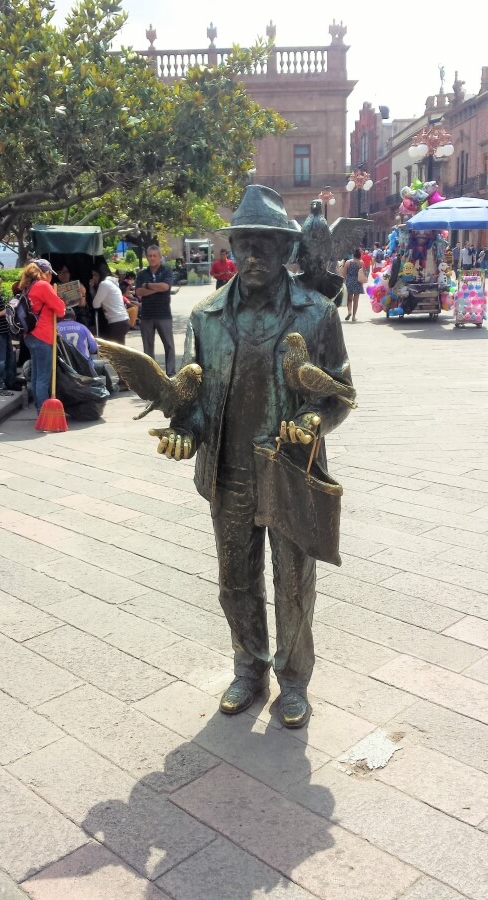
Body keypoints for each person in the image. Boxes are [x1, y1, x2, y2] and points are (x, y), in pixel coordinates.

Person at [150, 185, 354, 729]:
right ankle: (249, 668)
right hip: (229, 469)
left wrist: (314, 420)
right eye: (244, 244)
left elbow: (338, 393)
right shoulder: (207, 316)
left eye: (265, 244)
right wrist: (185, 433)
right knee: (235, 580)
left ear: (287, 250)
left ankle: (293, 680)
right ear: (233, 247)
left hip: (289, 471)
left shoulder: (318, 314)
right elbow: (192, 400)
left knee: (293, 581)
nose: (253, 256)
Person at [19, 259, 66, 415]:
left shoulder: (28, 287)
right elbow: (60, 310)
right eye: (50, 274)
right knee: (43, 377)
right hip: (43, 335)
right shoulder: (43, 286)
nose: (51, 277)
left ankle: (40, 410)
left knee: (37, 375)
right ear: (45, 273)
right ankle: (44, 412)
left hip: (29, 336)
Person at [135, 245, 175, 376]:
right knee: (148, 346)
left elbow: (165, 286)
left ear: (160, 257)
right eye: (150, 256)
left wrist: (148, 285)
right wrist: (156, 288)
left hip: (163, 314)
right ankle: (151, 374)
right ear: (147, 257)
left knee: (168, 345)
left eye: (154, 256)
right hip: (147, 315)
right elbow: (139, 292)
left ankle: (170, 372)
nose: (152, 258)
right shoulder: (142, 274)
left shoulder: (166, 271)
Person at [90, 262, 129, 344]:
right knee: (121, 350)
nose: (94, 278)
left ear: (101, 274)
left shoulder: (104, 284)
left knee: (115, 352)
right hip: (123, 320)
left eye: (95, 275)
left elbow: (95, 304)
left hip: (116, 322)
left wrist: (91, 289)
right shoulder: (112, 283)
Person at [57, 307, 98, 374]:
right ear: (74, 317)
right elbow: (93, 348)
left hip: (64, 368)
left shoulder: (54, 328)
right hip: (84, 367)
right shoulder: (83, 328)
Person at [341, 248, 364, 322]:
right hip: (358, 282)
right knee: (356, 300)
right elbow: (364, 273)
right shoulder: (361, 263)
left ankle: (349, 312)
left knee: (349, 299)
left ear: (353, 255)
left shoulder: (348, 262)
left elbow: (344, 274)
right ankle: (354, 316)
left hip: (350, 282)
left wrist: (344, 280)